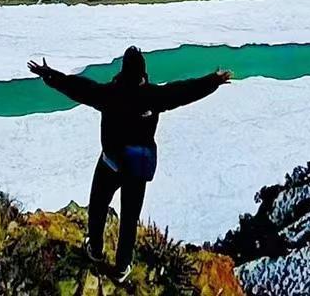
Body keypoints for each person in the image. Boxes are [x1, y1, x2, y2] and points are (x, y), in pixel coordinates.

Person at [30, 48, 233, 279]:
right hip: (137, 168)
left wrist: (49, 75)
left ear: (122, 70)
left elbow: (77, 87)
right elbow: (184, 91)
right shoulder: (153, 96)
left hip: (111, 163)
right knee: (129, 218)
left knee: (97, 207)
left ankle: (95, 250)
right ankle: (121, 267)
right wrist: (213, 81)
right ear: (143, 73)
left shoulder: (109, 94)